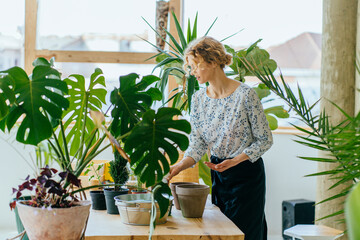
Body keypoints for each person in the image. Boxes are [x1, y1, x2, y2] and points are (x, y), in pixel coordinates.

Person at [167, 36, 273, 240]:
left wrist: (235, 160)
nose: (192, 72)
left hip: (246, 176)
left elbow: (264, 140)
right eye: (189, 67)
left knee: (246, 234)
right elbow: (197, 144)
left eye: (195, 66)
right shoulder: (198, 99)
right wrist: (179, 166)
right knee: (221, 234)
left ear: (213, 62)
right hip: (219, 176)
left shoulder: (245, 95)